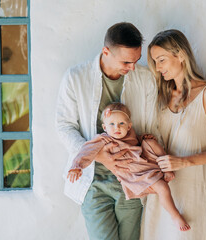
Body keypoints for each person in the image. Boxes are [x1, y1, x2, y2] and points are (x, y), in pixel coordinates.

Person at [56, 22, 159, 240]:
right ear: (106, 52)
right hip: (92, 183)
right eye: (126, 61)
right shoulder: (75, 78)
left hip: (132, 180)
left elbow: (150, 128)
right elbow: (64, 126)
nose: (132, 67)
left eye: (136, 60)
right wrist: (99, 155)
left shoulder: (146, 79)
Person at [140, 29, 206, 239]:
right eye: (155, 61)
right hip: (165, 192)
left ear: (181, 55)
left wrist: (184, 162)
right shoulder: (161, 97)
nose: (157, 67)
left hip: (199, 188)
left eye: (162, 60)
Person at [67, 103, 191, 231]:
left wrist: (143, 138)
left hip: (144, 161)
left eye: (121, 124)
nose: (117, 128)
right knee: (162, 187)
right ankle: (175, 215)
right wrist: (77, 166)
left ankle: (166, 168)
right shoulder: (104, 139)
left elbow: (135, 143)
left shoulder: (130, 134)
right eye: (112, 124)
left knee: (151, 142)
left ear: (129, 126)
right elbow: (87, 150)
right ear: (104, 127)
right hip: (132, 173)